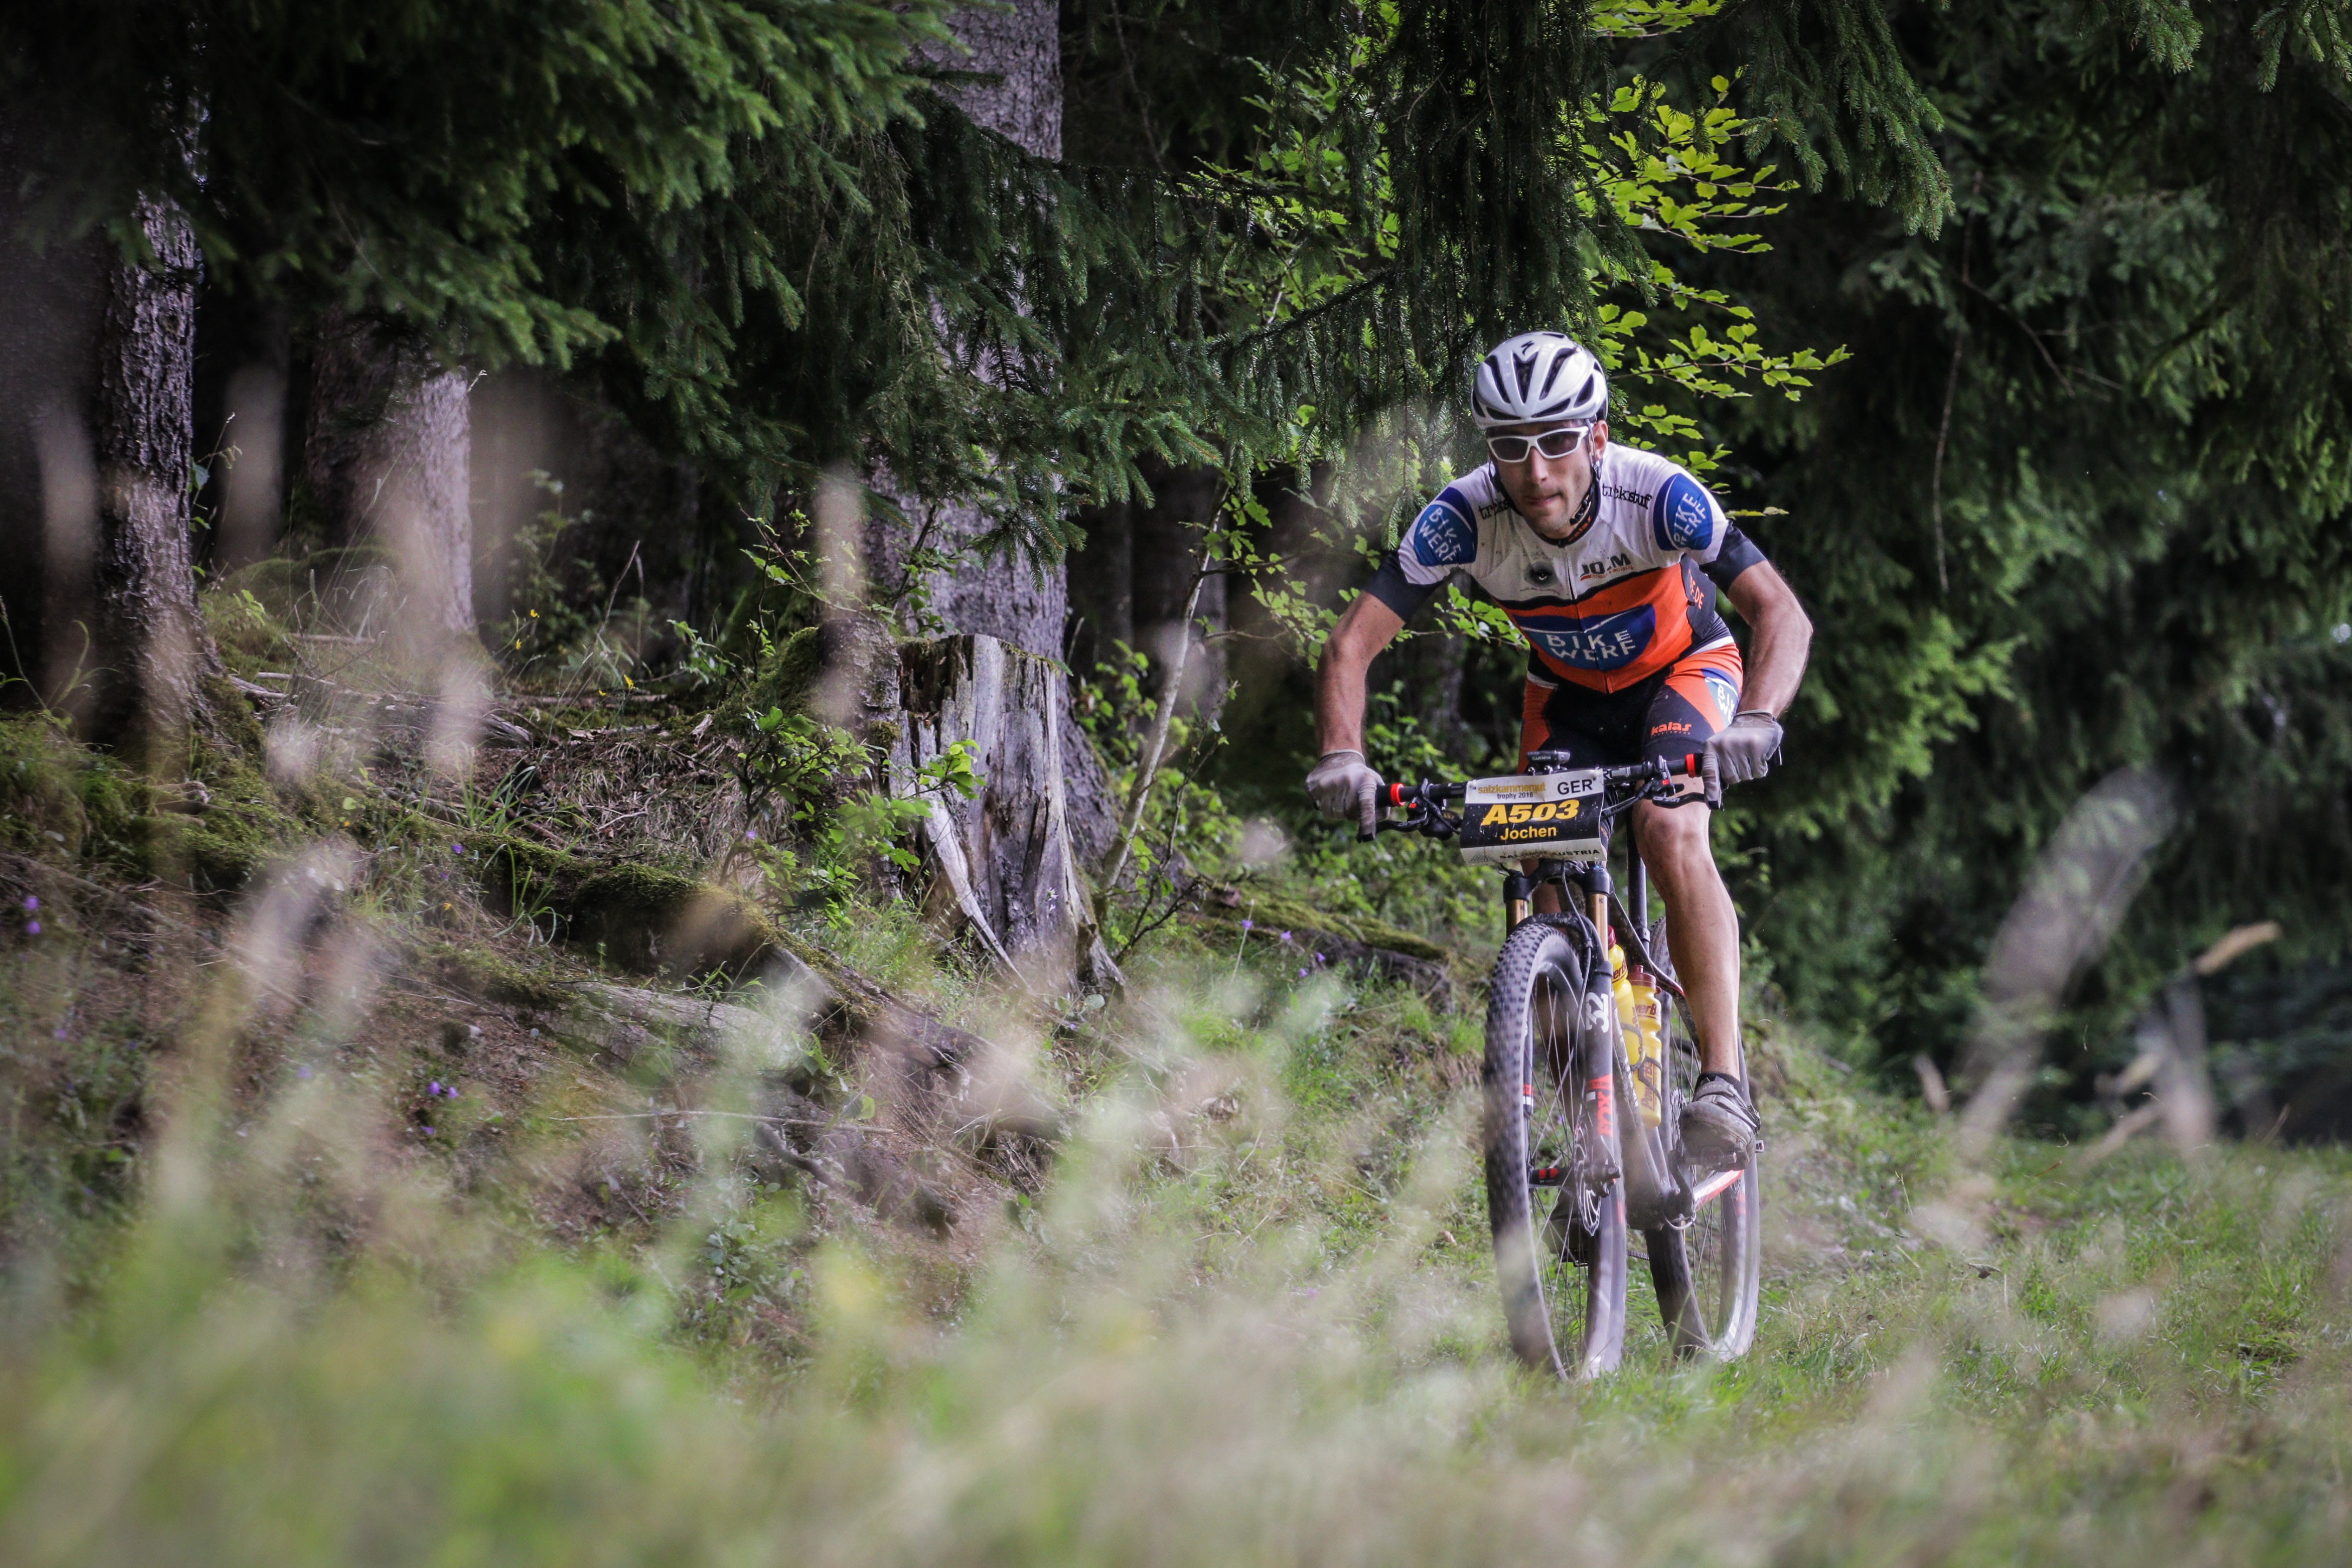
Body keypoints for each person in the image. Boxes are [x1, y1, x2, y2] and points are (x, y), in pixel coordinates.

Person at [1305, 330, 1812, 1174]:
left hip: (1685, 671)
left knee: (1668, 828)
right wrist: (1341, 756)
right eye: (1510, 447)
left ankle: (1724, 1083)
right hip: (1568, 696)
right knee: (1545, 868)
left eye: (1556, 441)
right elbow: (1350, 645)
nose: (1535, 471)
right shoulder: (1462, 518)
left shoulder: (1659, 496)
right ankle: (1593, 1138)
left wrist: (1758, 717)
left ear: (1598, 437)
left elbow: (1780, 612)